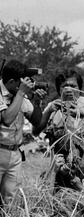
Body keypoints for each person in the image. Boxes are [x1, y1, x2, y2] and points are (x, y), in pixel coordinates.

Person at [33, 68, 84, 191]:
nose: (69, 89)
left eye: (73, 85)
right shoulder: (53, 106)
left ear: (79, 88)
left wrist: (82, 114)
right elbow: (36, 131)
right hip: (59, 167)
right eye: (65, 86)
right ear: (59, 89)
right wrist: (48, 112)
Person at [0, 59, 44, 205]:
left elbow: (37, 121)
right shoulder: (10, 93)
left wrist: (37, 101)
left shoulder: (19, 94)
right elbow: (6, 118)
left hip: (15, 154)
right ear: (12, 82)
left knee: (10, 199)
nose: (23, 87)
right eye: (21, 83)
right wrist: (21, 93)